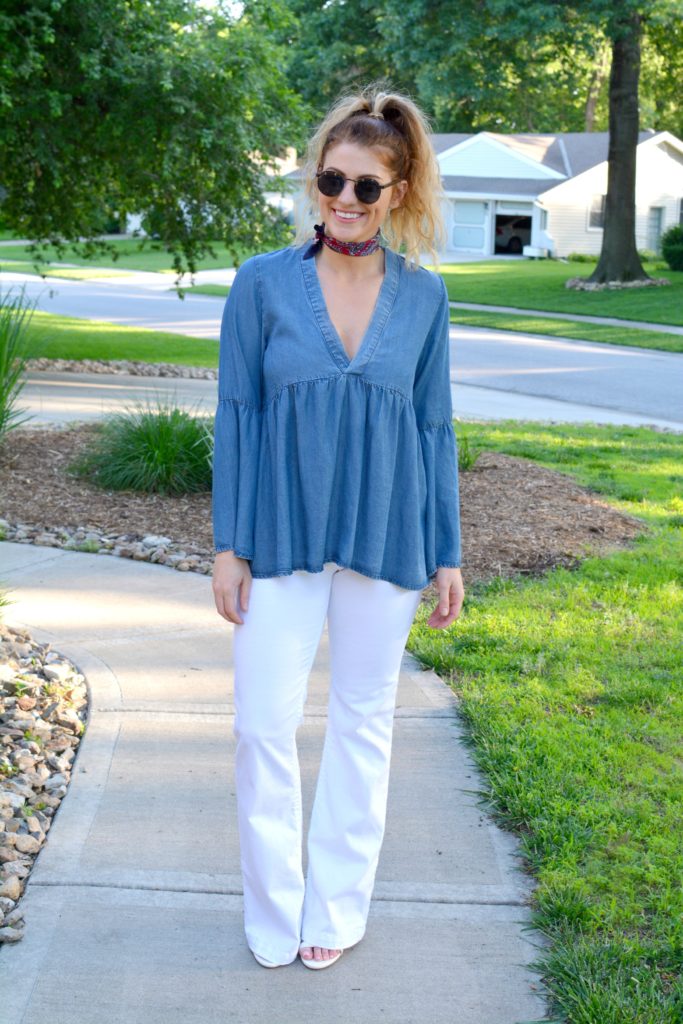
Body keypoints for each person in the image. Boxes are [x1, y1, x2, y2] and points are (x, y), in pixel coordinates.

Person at [211, 83, 465, 971]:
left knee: (363, 720)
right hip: (278, 534)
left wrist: (446, 552)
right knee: (261, 724)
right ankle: (274, 908)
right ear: (314, 182)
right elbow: (236, 414)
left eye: (365, 186)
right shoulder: (261, 283)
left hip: (387, 535)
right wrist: (227, 545)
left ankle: (336, 907)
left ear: (398, 192)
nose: (344, 201)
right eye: (331, 181)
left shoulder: (424, 298)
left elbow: (434, 427)